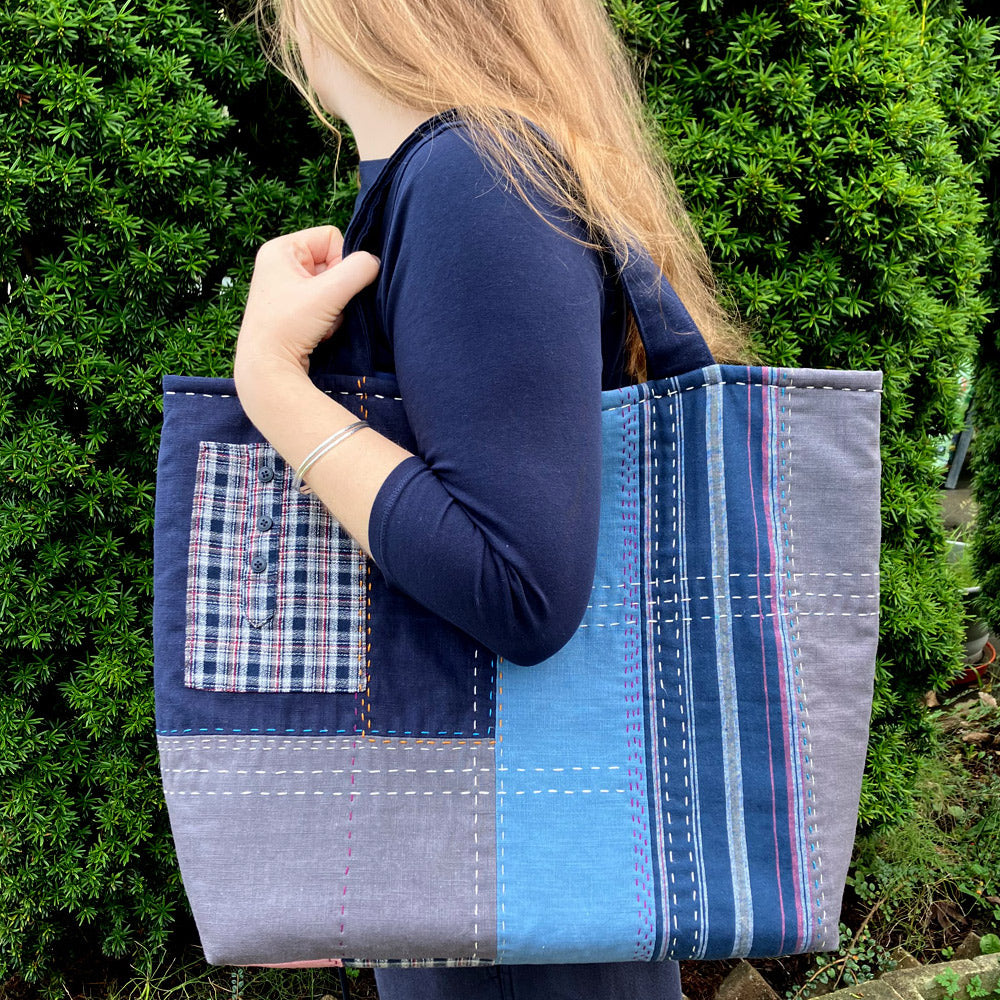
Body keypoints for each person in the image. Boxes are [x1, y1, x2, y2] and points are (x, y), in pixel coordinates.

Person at [231, 1, 752, 997]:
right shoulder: (458, 175)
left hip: (522, 917)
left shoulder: (476, 176)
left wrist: (274, 389)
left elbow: (520, 588)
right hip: (486, 884)